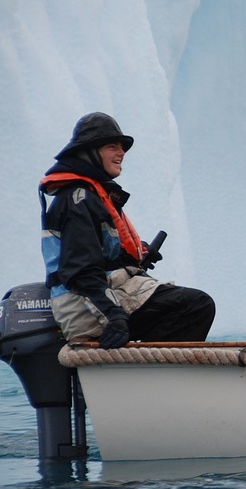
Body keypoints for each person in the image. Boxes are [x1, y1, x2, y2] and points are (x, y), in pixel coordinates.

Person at [40, 112, 215, 349]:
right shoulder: (78, 200)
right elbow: (80, 272)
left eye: (122, 148)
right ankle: (152, 375)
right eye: (112, 147)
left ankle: (143, 373)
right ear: (89, 152)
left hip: (96, 299)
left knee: (185, 305)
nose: (121, 153)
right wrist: (115, 315)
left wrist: (137, 255)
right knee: (194, 305)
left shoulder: (90, 197)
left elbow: (97, 257)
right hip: (85, 306)